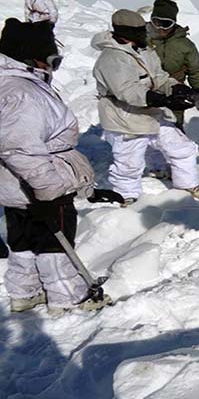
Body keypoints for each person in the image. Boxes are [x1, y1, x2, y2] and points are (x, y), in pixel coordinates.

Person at [0, 18, 118, 314]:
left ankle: (25, 292)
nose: (55, 66)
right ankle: (70, 297)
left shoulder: (14, 85)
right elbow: (20, 149)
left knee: (23, 241)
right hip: (40, 182)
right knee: (54, 242)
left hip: (15, 187)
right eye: (53, 58)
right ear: (30, 57)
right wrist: (50, 192)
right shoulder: (22, 94)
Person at [92, 9, 199, 205]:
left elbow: (159, 77)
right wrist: (164, 100)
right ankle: (127, 196)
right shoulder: (112, 58)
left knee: (183, 148)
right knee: (129, 164)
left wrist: (178, 89)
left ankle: (186, 184)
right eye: (140, 29)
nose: (145, 32)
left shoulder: (144, 50)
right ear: (127, 32)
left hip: (150, 113)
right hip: (125, 118)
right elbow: (128, 92)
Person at [148, 0, 199, 132]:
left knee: (174, 128)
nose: (161, 28)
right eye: (157, 22)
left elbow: (195, 71)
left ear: (174, 24)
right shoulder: (141, 39)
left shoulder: (185, 45)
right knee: (144, 128)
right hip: (146, 91)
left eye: (166, 24)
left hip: (175, 92)